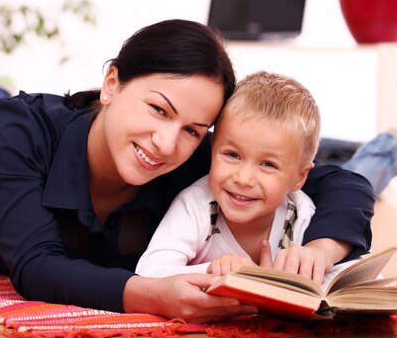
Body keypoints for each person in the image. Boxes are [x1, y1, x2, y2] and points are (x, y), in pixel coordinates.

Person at [0, 19, 397, 323]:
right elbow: (33, 267)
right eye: (158, 109)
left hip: (35, 138)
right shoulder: (24, 128)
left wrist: (323, 250)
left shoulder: (192, 153)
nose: (168, 143)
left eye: (195, 129)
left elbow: (338, 182)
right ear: (112, 82)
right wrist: (153, 296)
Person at [137, 71, 346, 283]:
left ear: (299, 178)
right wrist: (211, 270)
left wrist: (314, 264)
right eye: (232, 155)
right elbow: (148, 272)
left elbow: (348, 271)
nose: (244, 179)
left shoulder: (300, 213)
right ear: (212, 151)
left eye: (268, 164)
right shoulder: (196, 205)